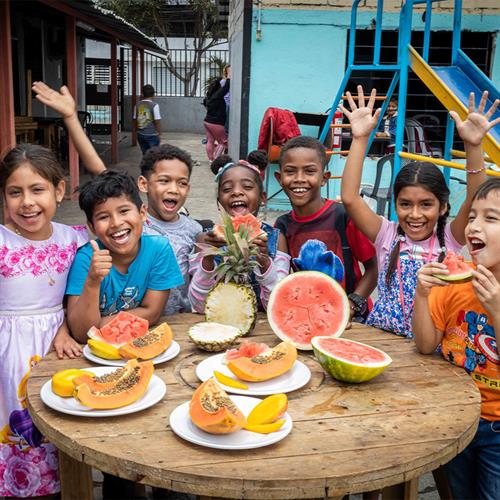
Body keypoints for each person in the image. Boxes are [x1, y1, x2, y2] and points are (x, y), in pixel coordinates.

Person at [341, 85, 496, 337]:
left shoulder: (452, 237)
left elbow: (475, 198)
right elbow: (349, 198)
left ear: (443, 206)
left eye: (426, 204)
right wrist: (360, 138)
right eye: (405, 204)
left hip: (432, 346)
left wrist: (473, 145)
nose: (414, 214)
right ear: (395, 205)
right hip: (381, 337)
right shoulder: (385, 234)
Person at [0, 144, 87, 498]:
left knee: (57, 427)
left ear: (59, 190)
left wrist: (65, 327)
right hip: (8, 351)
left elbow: (74, 299)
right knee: (11, 421)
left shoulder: (74, 240)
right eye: (14, 192)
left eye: (37, 189)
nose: (27, 202)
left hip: (57, 349)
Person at [413, 178, 500, 500]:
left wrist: (496, 309)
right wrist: (422, 295)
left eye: (490, 218)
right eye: (473, 216)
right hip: (457, 415)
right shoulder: (455, 282)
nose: (474, 225)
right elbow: (425, 344)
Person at [66, 170, 183, 342]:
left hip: (138, 340)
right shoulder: (85, 259)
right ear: (92, 227)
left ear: (142, 213)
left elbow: (152, 312)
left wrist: (98, 324)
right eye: (103, 217)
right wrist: (92, 280)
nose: (116, 223)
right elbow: (82, 334)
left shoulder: (159, 249)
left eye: (123, 211)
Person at [274, 135, 378, 322]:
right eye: (290, 171)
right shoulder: (282, 225)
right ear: (279, 178)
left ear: (324, 178)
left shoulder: (344, 216)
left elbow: (373, 269)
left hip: (354, 318)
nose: (299, 179)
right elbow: (280, 277)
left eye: (309, 171)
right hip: (310, 317)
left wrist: (351, 304)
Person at [189, 160, 290, 312]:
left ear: (262, 198)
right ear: (218, 202)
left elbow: (279, 305)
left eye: (247, 187)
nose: (236, 192)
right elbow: (198, 307)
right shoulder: (205, 239)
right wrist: (208, 258)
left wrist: (264, 261)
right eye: (227, 188)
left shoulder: (275, 240)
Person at [139, 144, 203, 314]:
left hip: (183, 318)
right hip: (142, 317)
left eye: (182, 183)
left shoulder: (194, 229)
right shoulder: (135, 227)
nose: (174, 190)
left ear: (188, 189)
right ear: (144, 184)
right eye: (164, 181)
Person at [203, 78, 230, 161]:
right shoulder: (217, 96)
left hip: (207, 122)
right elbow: (226, 88)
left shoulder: (209, 96)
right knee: (223, 142)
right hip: (216, 123)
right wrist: (229, 78)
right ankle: (215, 160)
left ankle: (211, 159)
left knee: (210, 141)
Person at [133, 84, 162, 154]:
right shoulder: (155, 105)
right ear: (153, 95)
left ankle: (146, 164)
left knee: (145, 154)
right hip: (152, 135)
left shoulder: (137, 105)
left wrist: (136, 131)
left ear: (142, 94)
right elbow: (157, 120)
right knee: (154, 156)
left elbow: (134, 119)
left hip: (140, 134)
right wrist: (159, 133)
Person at [220, 64, 231, 134]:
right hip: (225, 103)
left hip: (231, 103)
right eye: (229, 70)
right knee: (225, 121)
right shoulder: (223, 81)